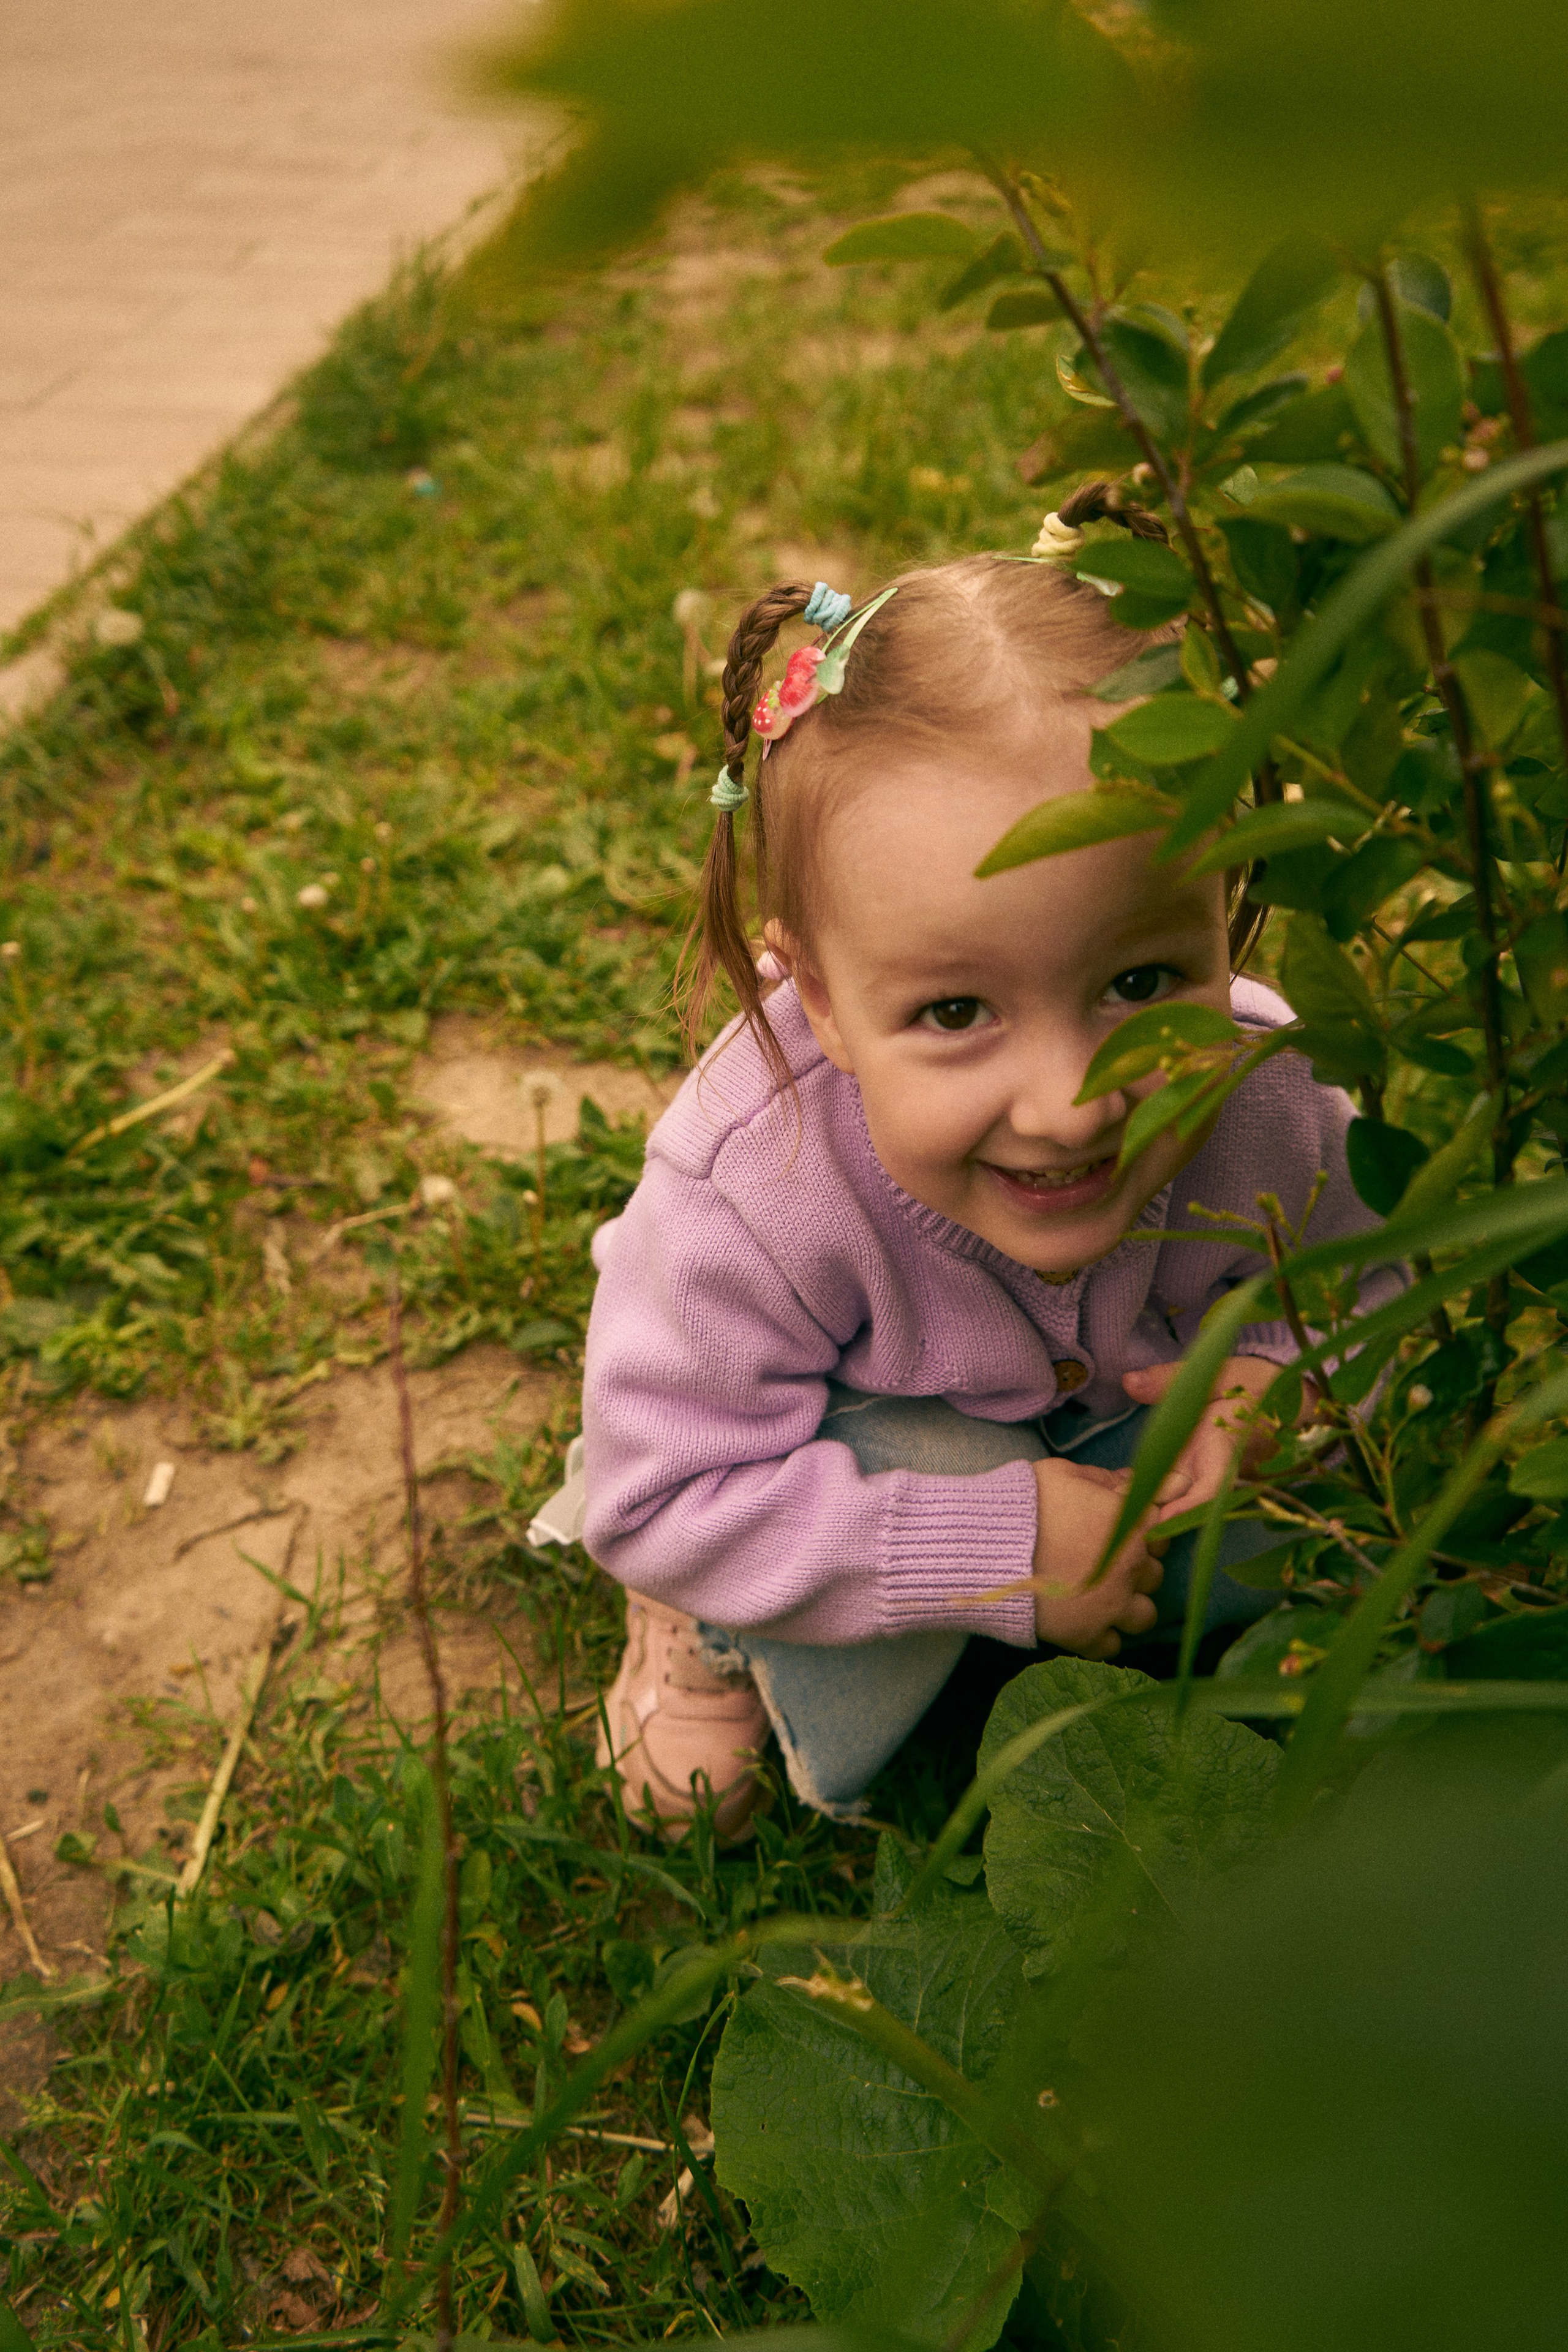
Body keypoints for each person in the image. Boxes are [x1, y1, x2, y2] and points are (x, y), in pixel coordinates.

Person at [571, 488, 1401, 1835]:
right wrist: (993, 1547)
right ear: (821, 1002)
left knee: (1299, 1573)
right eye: (953, 1013)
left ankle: (1112, 1594)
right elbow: (659, 1488)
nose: (1071, 1105)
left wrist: (1274, 1388)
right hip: (836, 1449)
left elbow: (1378, 1296)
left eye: (1140, 979)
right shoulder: (755, 1185)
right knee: (768, 1609)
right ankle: (705, 1633)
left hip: (1112, 1439)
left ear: (1224, 917)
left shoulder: (1271, 1091)